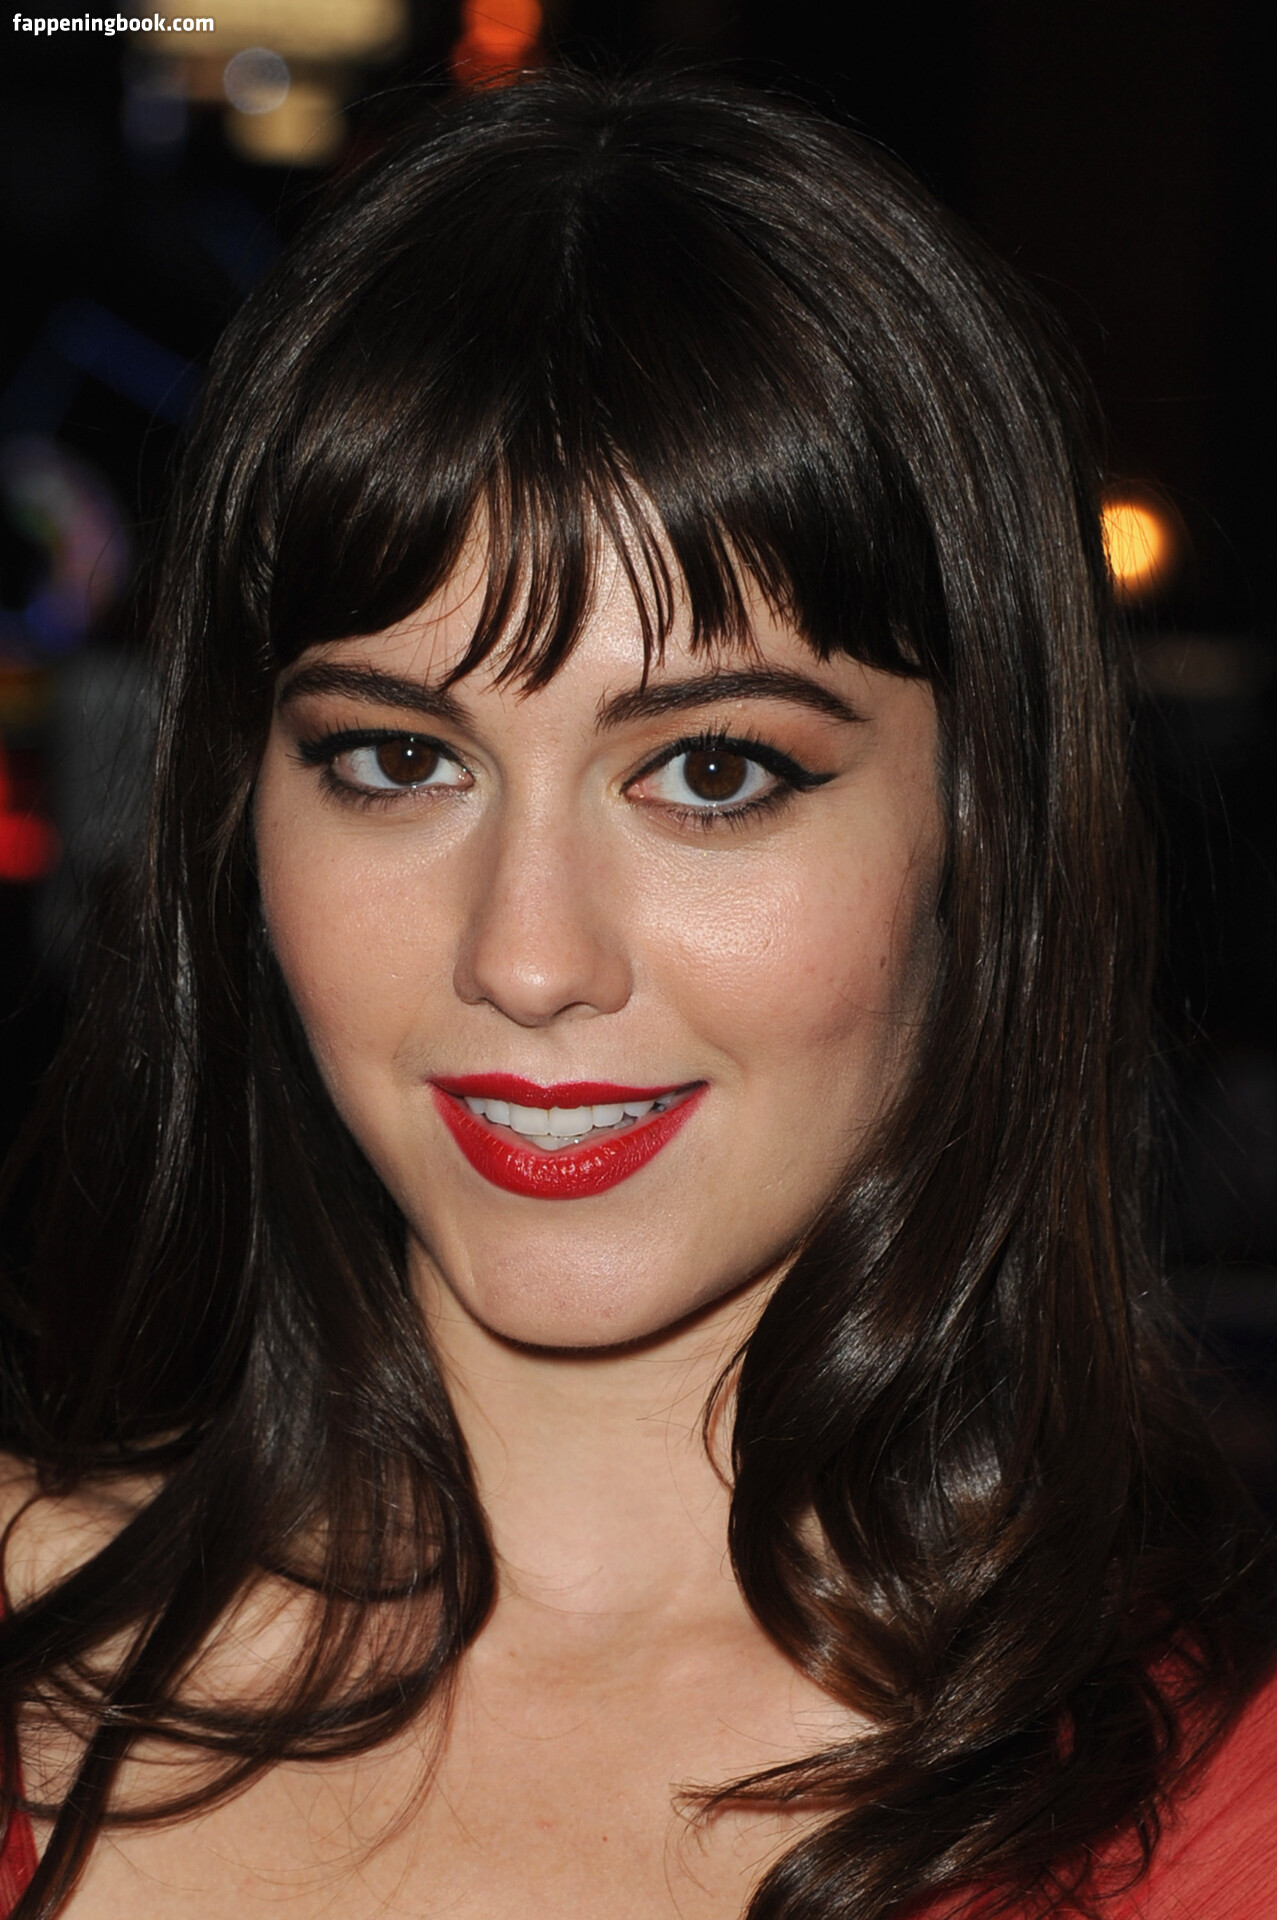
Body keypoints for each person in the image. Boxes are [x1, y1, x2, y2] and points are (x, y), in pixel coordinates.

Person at [1, 68, 1274, 1920]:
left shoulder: (1216, 1823)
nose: (526, 956)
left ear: (983, 830)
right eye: (397, 760)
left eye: (711, 772)